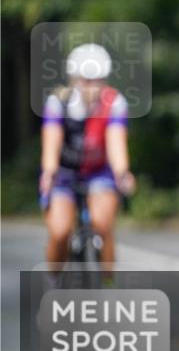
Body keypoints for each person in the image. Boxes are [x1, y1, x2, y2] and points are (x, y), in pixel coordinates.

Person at [39, 43, 136, 277]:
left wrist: (122, 173)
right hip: (63, 173)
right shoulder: (58, 103)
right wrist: (49, 173)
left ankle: (108, 282)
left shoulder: (114, 103)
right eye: (85, 80)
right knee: (60, 232)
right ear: (74, 79)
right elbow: (51, 143)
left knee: (103, 225)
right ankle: (53, 281)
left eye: (97, 80)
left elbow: (116, 143)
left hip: (99, 172)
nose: (91, 86)